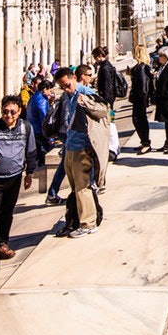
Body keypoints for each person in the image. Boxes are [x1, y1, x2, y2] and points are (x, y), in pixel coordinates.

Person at [0, 95, 37, 275]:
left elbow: (30, 150)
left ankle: (2, 244)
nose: (8, 115)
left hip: (14, 177)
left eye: (12, 112)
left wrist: (30, 172)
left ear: (19, 112)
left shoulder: (25, 127)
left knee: (7, 213)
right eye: (5, 111)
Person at [53, 67, 108, 238]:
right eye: (62, 87)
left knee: (82, 186)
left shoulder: (86, 93)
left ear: (74, 78)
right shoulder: (67, 95)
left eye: (67, 85)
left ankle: (88, 223)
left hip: (82, 146)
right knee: (75, 187)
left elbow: (103, 110)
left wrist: (86, 102)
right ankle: (79, 218)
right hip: (70, 145)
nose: (65, 89)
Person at [129, 44, 154, 154]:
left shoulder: (141, 68)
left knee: (139, 120)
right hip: (140, 97)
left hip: (140, 98)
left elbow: (143, 86)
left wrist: (143, 99)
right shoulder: (141, 67)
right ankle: (144, 141)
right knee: (139, 120)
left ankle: (146, 142)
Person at [26, 78, 54, 166]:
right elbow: (44, 118)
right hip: (39, 130)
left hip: (33, 129)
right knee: (50, 150)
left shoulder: (35, 97)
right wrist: (50, 137)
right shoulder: (40, 100)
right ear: (44, 89)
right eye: (49, 90)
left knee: (38, 153)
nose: (50, 93)